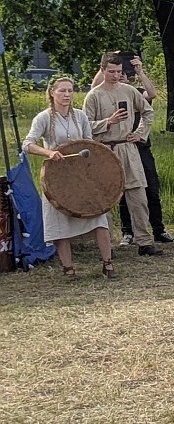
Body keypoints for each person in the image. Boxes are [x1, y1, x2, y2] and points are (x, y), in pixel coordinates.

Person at [23, 77, 117, 280]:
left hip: (82, 176)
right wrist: (48, 153)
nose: (67, 95)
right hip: (56, 178)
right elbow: (28, 144)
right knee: (59, 224)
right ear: (52, 93)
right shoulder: (44, 118)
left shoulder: (80, 116)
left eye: (70, 91)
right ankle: (68, 268)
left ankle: (108, 264)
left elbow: (88, 143)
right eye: (62, 91)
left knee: (99, 217)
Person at [84, 52, 162, 255]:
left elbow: (148, 111)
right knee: (106, 198)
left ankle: (144, 241)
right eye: (111, 71)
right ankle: (107, 244)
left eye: (118, 72)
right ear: (102, 71)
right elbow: (85, 127)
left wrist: (140, 134)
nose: (115, 75)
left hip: (128, 147)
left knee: (138, 195)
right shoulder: (94, 96)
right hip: (105, 150)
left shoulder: (128, 90)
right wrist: (108, 121)